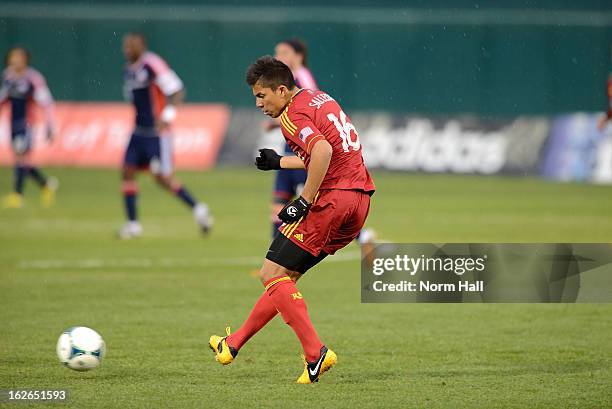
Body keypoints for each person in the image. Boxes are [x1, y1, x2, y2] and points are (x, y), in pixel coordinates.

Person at [209, 56, 375, 384]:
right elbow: (334, 151)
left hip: (332, 199)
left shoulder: (290, 115)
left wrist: (304, 201)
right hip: (360, 199)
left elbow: (324, 152)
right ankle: (233, 344)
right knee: (285, 276)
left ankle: (316, 354)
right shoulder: (320, 97)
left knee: (270, 272)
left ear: (282, 90)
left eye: (261, 95)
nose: (258, 103)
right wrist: (281, 162)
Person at [119, 33, 211, 239]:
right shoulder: (128, 70)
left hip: (157, 134)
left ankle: (198, 209)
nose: (127, 49)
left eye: (131, 45)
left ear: (142, 45)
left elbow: (176, 90)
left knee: (163, 178)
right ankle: (133, 225)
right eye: (125, 46)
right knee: (127, 171)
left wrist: (167, 117)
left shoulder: (152, 64)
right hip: (138, 132)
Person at [0, 46, 58, 208]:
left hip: (27, 124)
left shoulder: (33, 78)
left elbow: (46, 102)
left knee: (20, 157)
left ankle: (17, 195)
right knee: (21, 161)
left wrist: (50, 124)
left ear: (25, 60)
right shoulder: (8, 77)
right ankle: (46, 184)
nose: (15, 61)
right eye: (12, 58)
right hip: (12, 123)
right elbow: (4, 99)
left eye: (18, 58)